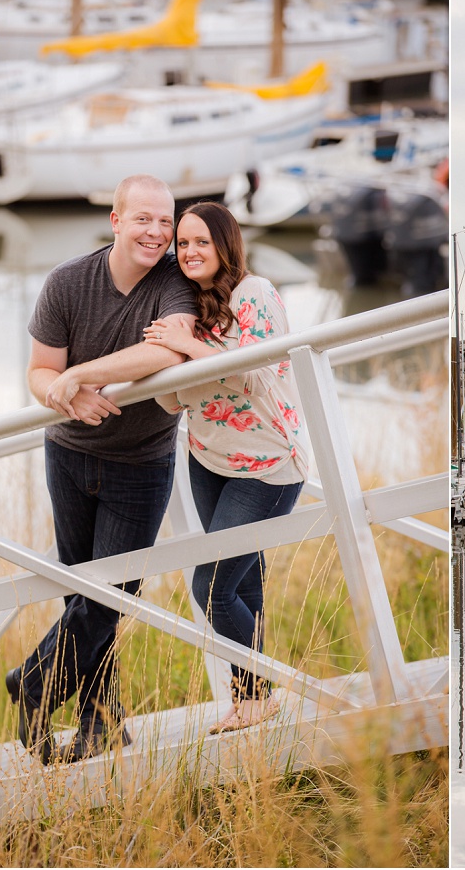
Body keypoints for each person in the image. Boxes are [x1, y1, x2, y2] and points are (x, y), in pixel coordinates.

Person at [5, 174, 198, 763]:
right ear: (115, 221)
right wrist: (66, 393)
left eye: (165, 222)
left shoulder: (174, 281)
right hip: (68, 454)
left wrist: (86, 374)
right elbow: (40, 373)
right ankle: (102, 724)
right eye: (144, 219)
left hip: (141, 462)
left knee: (115, 592)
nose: (158, 233)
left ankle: (35, 682)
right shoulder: (67, 282)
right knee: (81, 596)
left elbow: (170, 349)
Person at [143, 200, 308, 734]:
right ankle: (250, 700)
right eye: (182, 244)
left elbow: (253, 368)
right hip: (207, 458)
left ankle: (260, 694)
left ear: (225, 244)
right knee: (245, 584)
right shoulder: (187, 310)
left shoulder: (252, 293)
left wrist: (186, 347)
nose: (189, 252)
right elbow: (174, 400)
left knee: (211, 586)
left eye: (200, 242)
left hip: (267, 462)